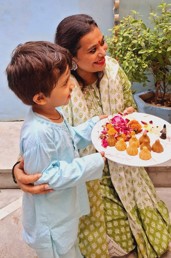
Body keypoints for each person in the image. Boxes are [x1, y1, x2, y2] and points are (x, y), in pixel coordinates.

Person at [13, 15, 171, 258]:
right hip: (85, 180)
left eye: (103, 43)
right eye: (92, 49)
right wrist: (18, 169)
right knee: (98, 239)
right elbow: (42, 149)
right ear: (72, 58)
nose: (102, 53)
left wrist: (125, 120)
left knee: (151, 228)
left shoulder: (114, 72)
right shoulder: (56, 89)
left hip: (123, 167)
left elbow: (122, 119)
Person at [6, 41, 106, 258]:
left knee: (70, 247)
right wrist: (96, 161)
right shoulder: (38, 134)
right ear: (40, 97)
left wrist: (94, 125)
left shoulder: (52, 113)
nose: (71, 85)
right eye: (64, 83)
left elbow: (69, 140)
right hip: (51, 225)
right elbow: (47, 176)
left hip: (63, 212)